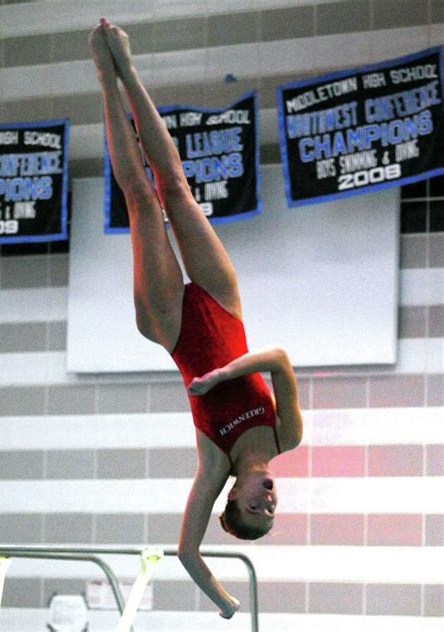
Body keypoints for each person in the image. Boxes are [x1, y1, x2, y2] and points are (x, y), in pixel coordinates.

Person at [89, 18, 303, 619]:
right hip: (222, 303)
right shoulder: (287, 437)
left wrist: (226, 603)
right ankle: (129, 67)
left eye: (255, 509)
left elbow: (186, 552)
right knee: (178, 188)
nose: (269, 501)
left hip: (173, 327)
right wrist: (224, 375)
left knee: (140, 196)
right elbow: (281, 360)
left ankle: (105, 76)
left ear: (230, 499)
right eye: (273, 510)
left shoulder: (214, 463)